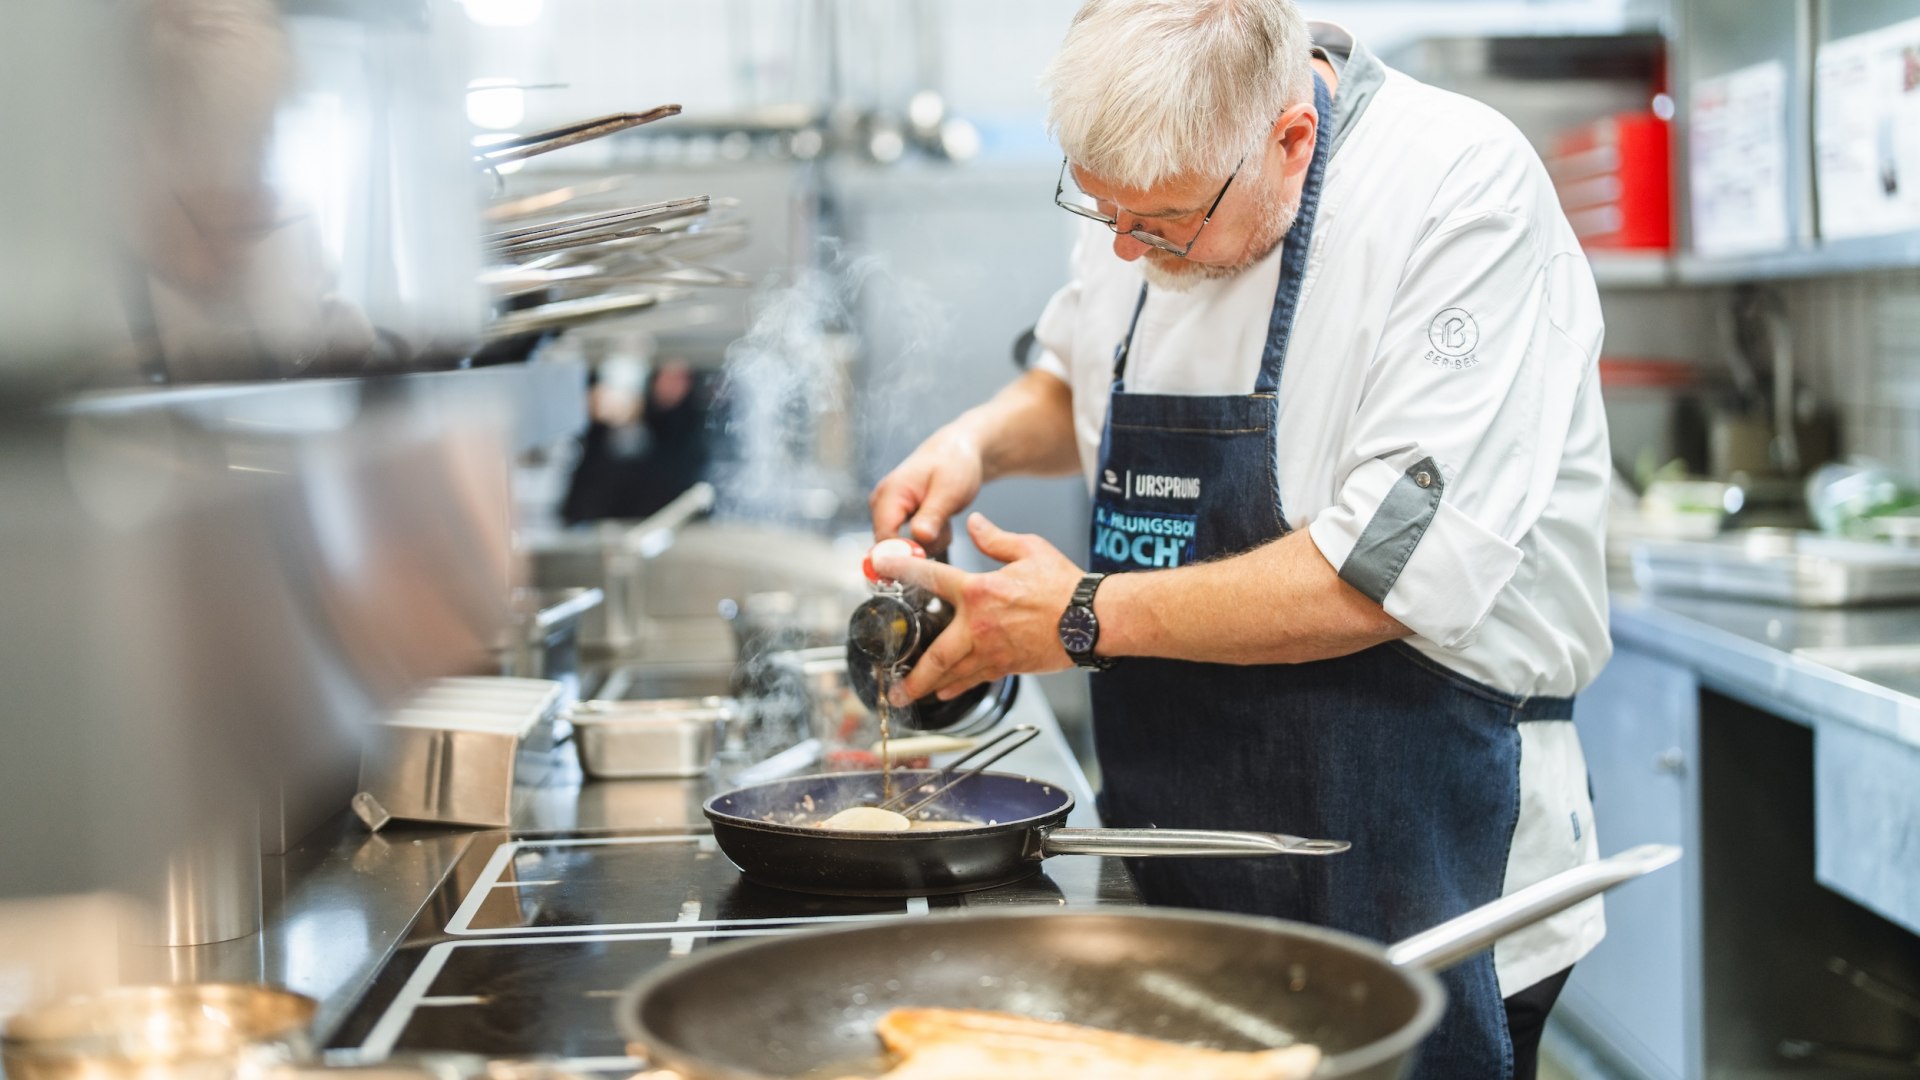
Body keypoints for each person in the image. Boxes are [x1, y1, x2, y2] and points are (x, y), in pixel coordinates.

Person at [866, 3, 1612, 1078]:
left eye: (1162, 223)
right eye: (1100, 205)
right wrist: (975, 442)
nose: (1125, 243)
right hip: (1179, 840)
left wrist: (1082, 615)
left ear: (1290, 140)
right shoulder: (1155, 170)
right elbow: (1076, 373)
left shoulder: (1458, 190)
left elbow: (1383, 576)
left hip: (1417, 846)